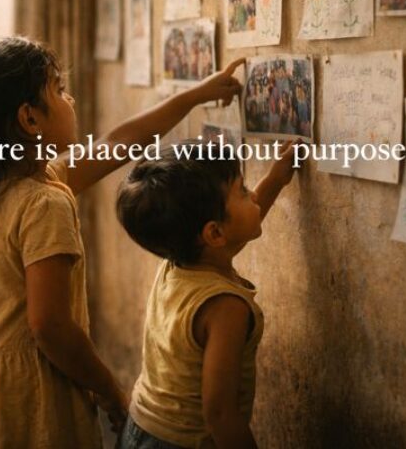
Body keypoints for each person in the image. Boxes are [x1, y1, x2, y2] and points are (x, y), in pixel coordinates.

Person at [0, 37, 243, 448]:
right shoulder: (43, 202)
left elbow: (118, 142)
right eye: (58, 90)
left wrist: (194, 96)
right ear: (29, 119)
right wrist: (108, 386)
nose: (69, 100)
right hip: (25, 393)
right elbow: (49, 326)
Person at [115, 140, 297, 448]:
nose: (253, 195)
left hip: (140, 426)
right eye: (243, 191)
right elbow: (221, 415)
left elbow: (234, 233)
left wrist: (276, 179)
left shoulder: (179, 263)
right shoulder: (226, 307)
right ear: (213, 232)